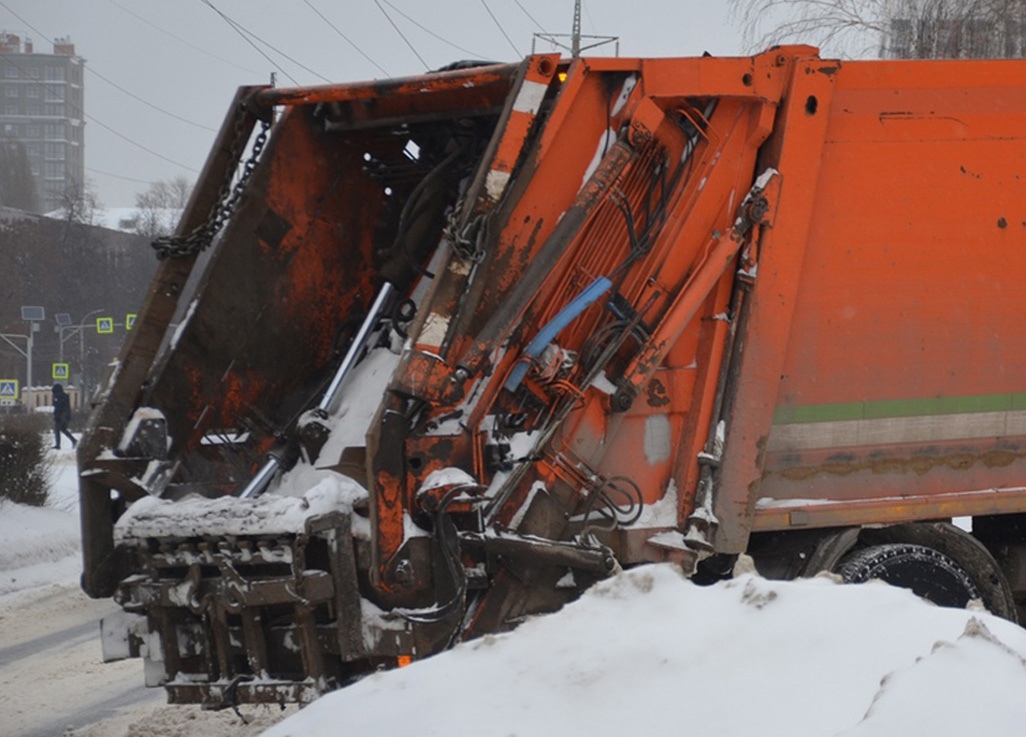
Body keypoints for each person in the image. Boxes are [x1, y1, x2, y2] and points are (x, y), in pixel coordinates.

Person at [52, 383, 76, 450]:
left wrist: (57, 415)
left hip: (61, 415)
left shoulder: (58, 396)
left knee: (58, 429)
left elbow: (58, 406)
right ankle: (73, 440)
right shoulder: (64, 396)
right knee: (63, 429)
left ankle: (58, 445)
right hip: (64, 415)